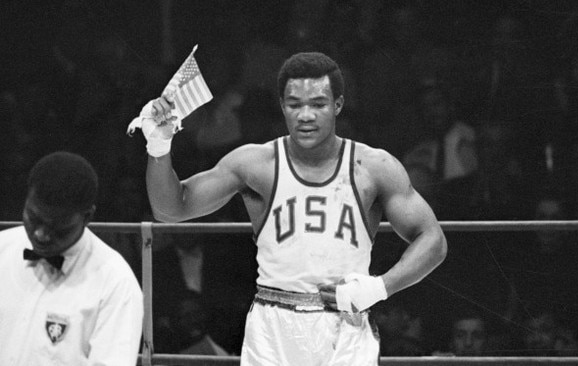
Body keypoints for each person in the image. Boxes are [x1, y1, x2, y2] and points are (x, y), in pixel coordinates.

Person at [133, 51, 447, 365]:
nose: (305, 115)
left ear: (337, 104)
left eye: (318, 104)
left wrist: (379, 287)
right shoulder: (255, 164)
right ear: (283, 106)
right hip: (273, 331)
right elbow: (171, 209)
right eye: (295, 104)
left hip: (345, 328)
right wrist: (159, 145)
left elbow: (433, 240)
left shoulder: (374, 167)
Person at [0, 151, 144, 365]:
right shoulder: (3, 248)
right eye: (34, 218)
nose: (41, 234)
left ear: (87, 217)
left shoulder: (115, 283)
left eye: (57, 227)